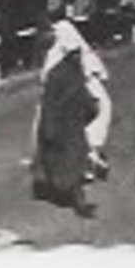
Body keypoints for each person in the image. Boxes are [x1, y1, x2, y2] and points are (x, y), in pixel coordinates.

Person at [32, 38, 98, 218]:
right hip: (61, 125)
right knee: (66, 163)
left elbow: (82, 91)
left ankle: (78, 200)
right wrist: (50, 130)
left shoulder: (75, 70)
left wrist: (92, 107)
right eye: (74, 53)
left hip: (74, 122)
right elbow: (49, 105)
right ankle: (77, 201)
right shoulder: (56, 75)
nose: (78, 56)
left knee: (76, 160)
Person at [43, 18, 112, 179]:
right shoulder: (64, 29)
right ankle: (88, 155)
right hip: (71, 82)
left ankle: (85, 158)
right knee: (102, 106)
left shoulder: (62, 34)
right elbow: (76, 53)